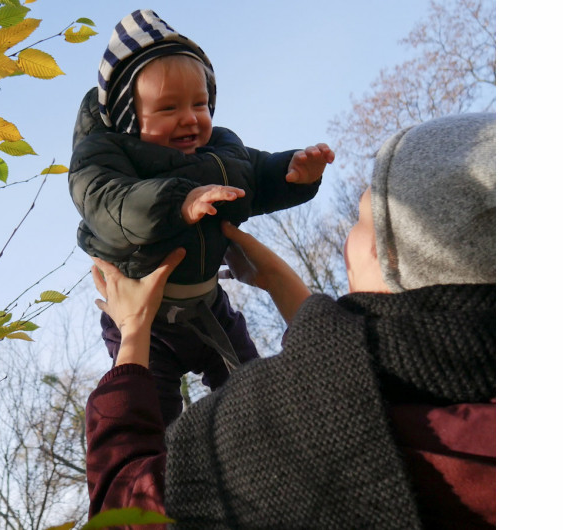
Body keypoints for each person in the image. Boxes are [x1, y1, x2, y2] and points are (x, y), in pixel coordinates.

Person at [85, 113, 496, 528]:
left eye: (362, 221)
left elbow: (123, 511)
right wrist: (285, 287)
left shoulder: (283, 440)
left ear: (392, 255)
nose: (348, 239)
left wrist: (134, 332)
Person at [69, 9, 334, 426]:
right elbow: (109, 203)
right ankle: (170, 472)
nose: (190, 118)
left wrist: (293, 174)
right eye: (169, 108)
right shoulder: (107, 156)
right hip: (143, 320)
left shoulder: (220, 153)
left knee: (252, 391)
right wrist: (180, 202)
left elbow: (253, 176)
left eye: (200, 103)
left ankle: (260, 447)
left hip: (209, 306)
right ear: (128, 118)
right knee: (154, 416)